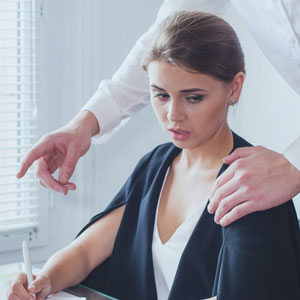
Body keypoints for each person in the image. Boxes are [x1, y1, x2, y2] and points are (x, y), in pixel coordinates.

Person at [7, 11, 300, 300]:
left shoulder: (250, 185)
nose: (173, 115)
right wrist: (43, 280)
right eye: (160, 95)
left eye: (193, 97)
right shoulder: (155, 165)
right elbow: (86, 252)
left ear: (234, 87)